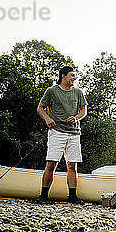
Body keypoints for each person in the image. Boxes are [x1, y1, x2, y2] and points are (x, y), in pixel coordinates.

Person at [36, 65, 88, 203]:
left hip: (74, 133)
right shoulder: (52, 91)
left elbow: (84, 111)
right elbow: (40, 108)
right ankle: (43, 196)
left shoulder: (78, 92)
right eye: (72, 75)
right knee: (51, 164)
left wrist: (76, 118)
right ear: (63, 76)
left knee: (72, 166)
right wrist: (47, 119)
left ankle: (72, 197)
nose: (74, 78)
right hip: (57, 131)